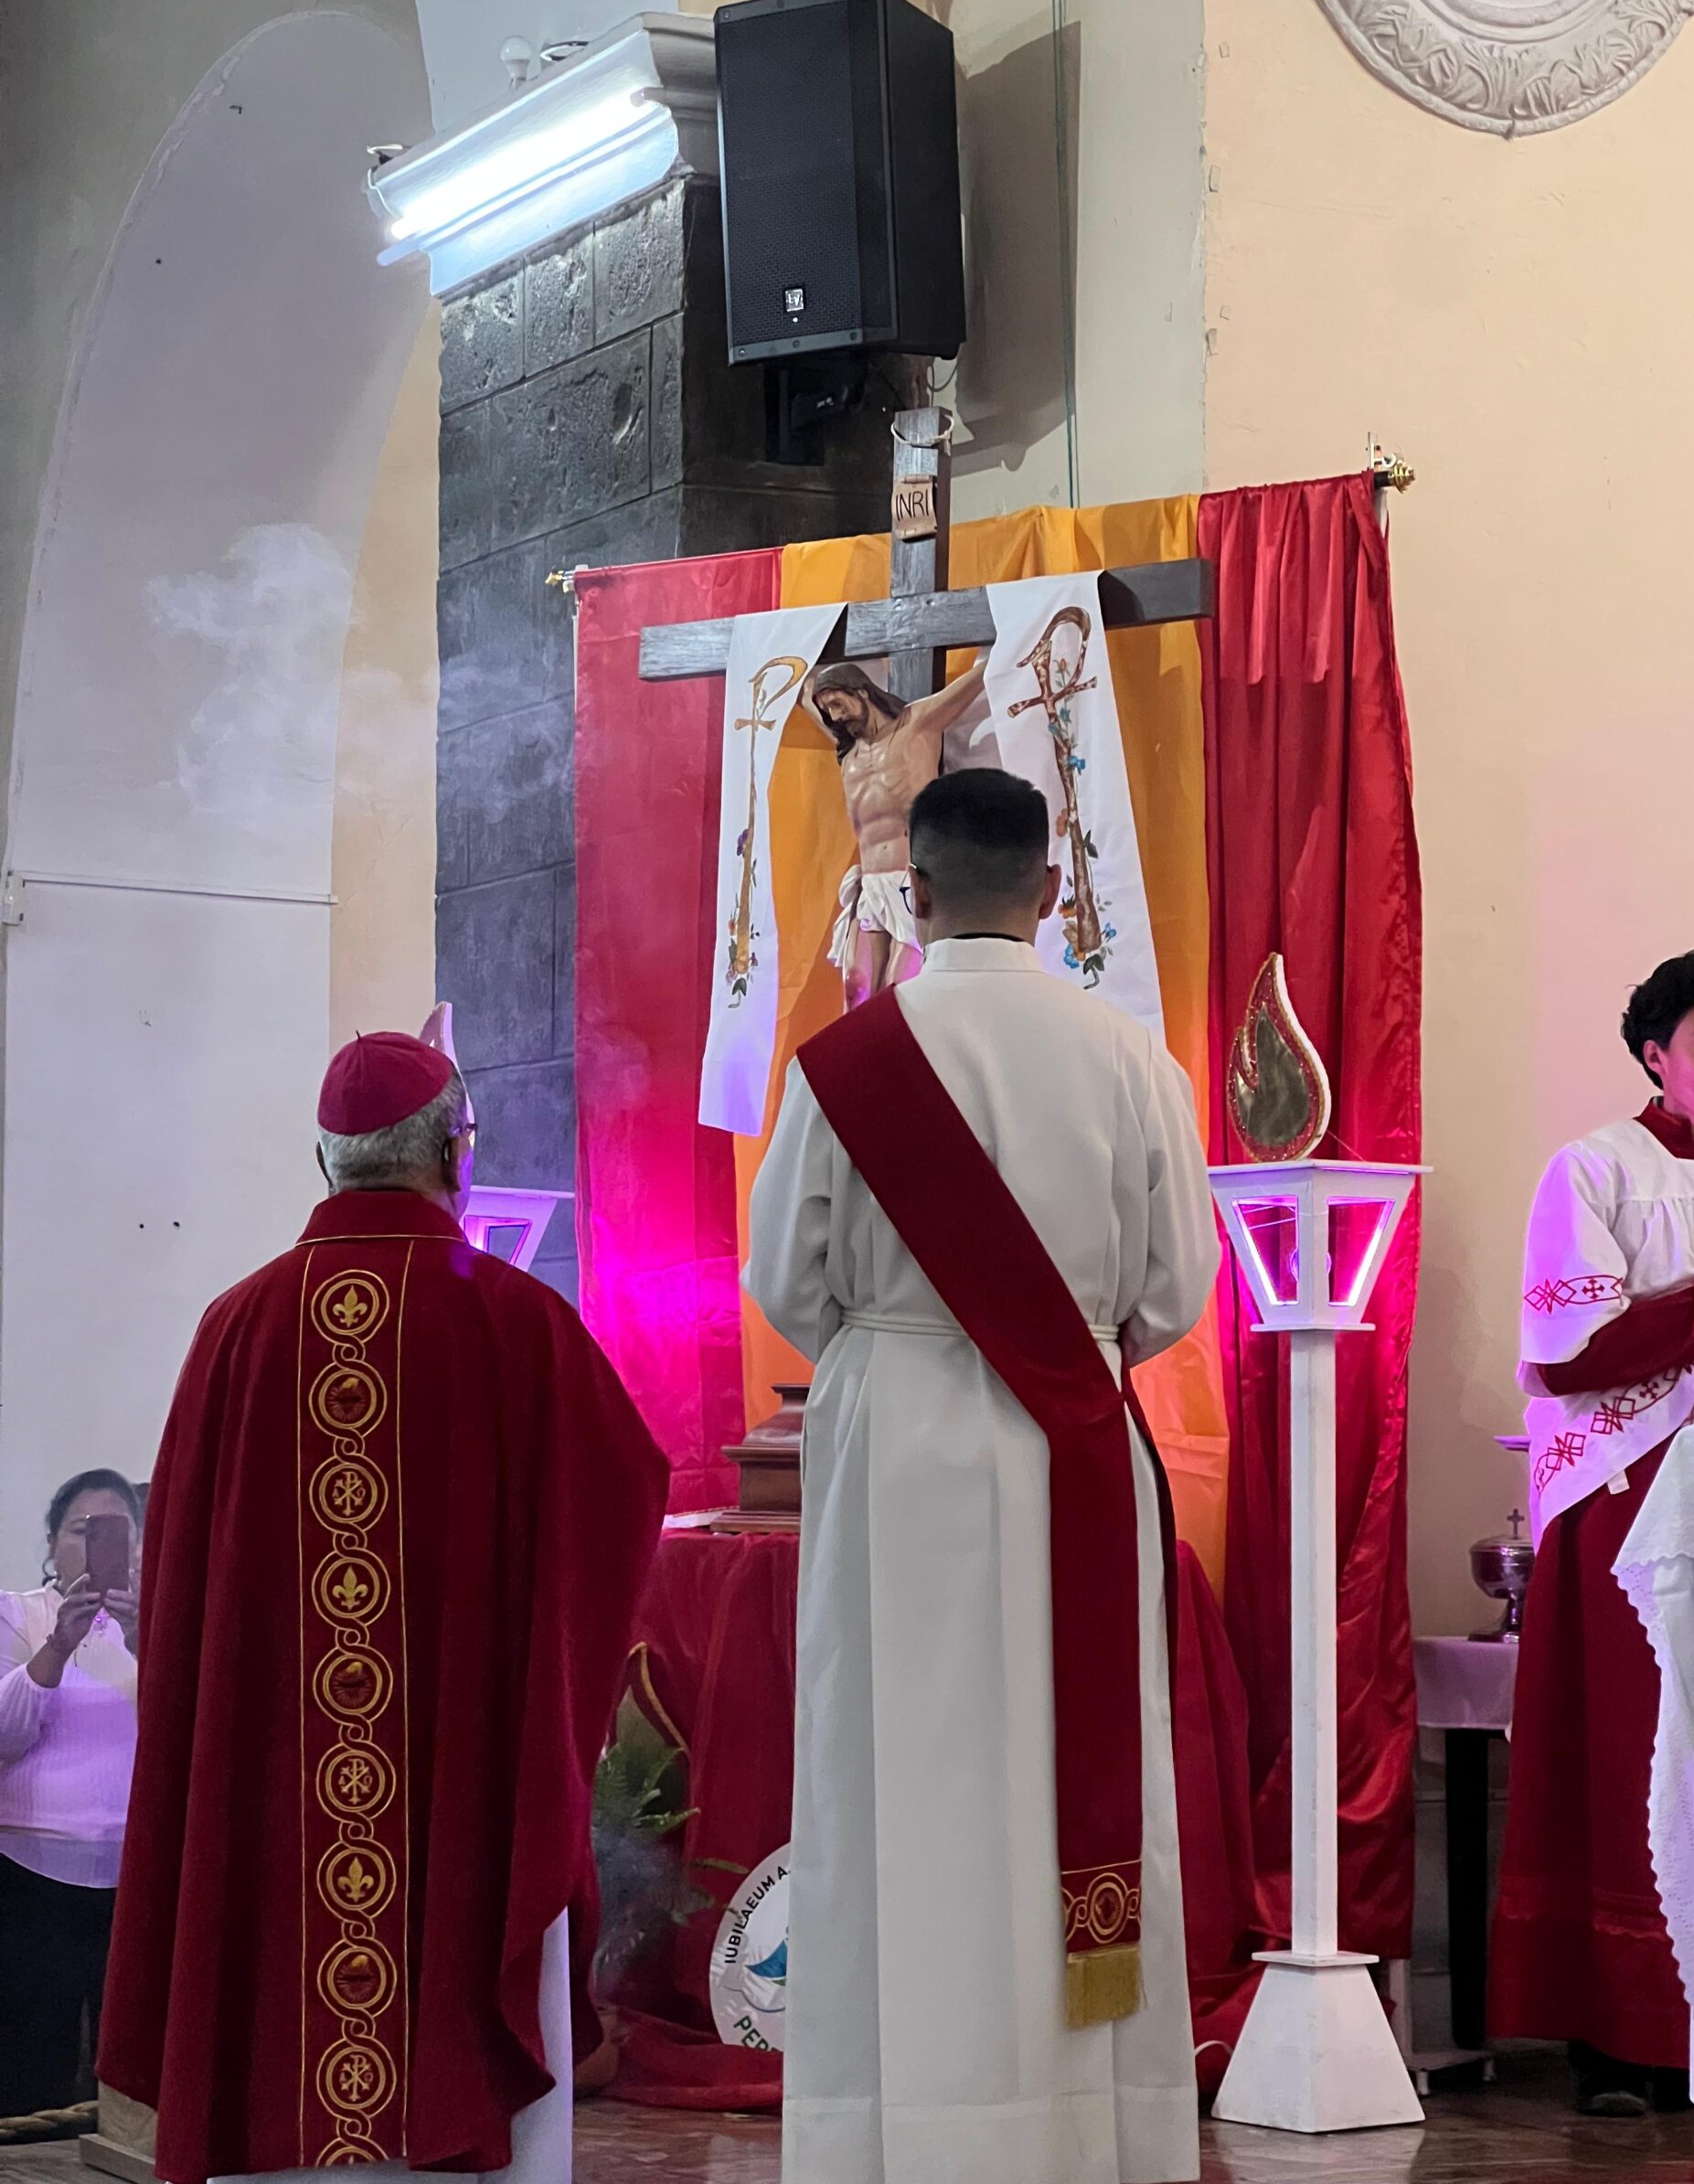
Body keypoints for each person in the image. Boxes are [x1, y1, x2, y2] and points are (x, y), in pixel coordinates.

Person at [745, 767, 1219, 2184]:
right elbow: (1174, 1291)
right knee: (1070, 1767)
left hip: (895, 1442)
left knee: (891, 1768)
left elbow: (785, 1280)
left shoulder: (847, 1066)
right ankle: (1089, 2134)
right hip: (1070, 1434)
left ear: (921, 893)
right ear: (1054, 890)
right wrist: (1060, 1340)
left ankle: (895, 2135)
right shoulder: (1133, 1057)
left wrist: (900, 1345)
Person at [100, 1030, 668, 2184]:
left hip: (270, 1793)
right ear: (454, 1157)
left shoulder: (236, 1329)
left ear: (326, 1162)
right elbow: (621, 1501)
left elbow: (178, 1601)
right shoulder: (516, 1324)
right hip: (464, 1788)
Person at [1492, 951, 1694, 2115]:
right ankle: (1631, 2037)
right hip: (1632, 1505)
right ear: (1656, 1052)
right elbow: (1569, 1355)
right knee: (1641, 1754)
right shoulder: (1594, 1169)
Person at [0, 1471, 142, 2127]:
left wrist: (152, 1640)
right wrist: (56, 1645)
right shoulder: (15, 1613)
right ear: (53, 1546)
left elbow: (201, 1731)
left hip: (137, 1875)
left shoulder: (165, 1621)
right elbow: (4, 1735)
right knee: (32, 2056)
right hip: (31, 1873)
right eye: (83, 1531)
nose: (98, 1546)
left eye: (117, 1532)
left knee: (133, 2066)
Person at [806, 656, 989, 1009]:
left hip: (913, 880)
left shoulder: (917, 724)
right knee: (855, 986)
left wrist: (1018, 631)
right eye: (827, 710)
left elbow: (973, 682)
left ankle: (897, 1062)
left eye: (838, 703)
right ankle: (857, 1064)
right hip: (871, 884)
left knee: (898, 988)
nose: (835, 715)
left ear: (861, 691)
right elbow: (802, 693)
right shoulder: (848, 753)